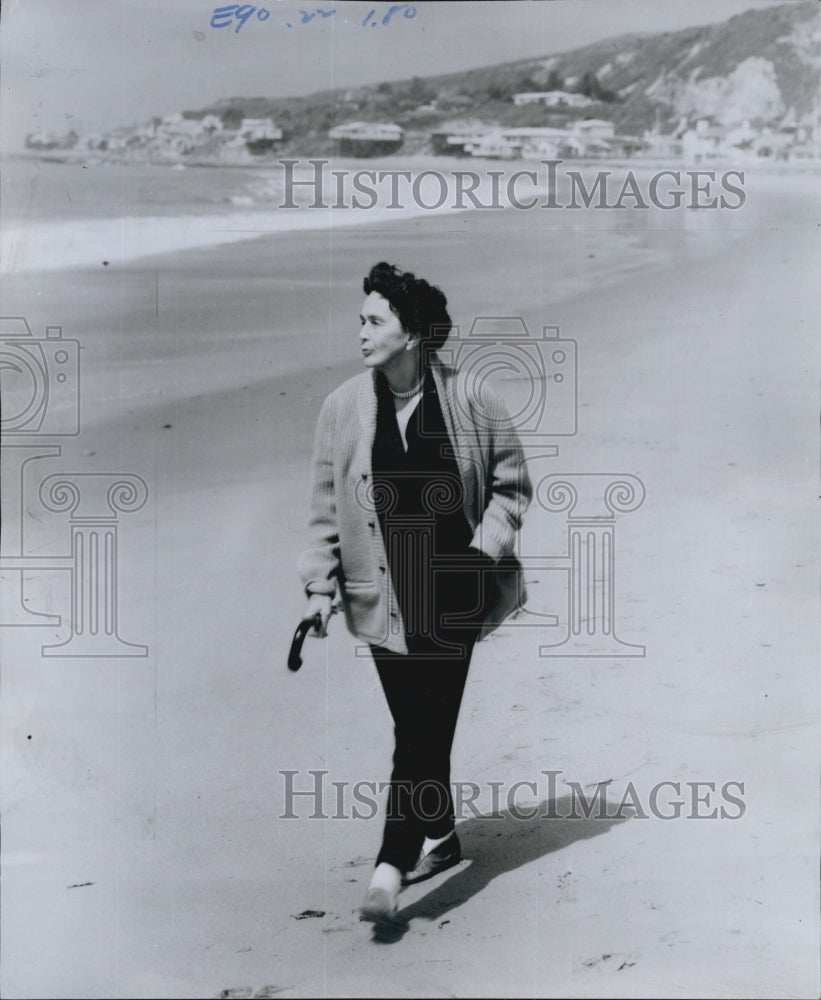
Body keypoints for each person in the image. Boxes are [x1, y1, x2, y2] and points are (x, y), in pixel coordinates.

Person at [297, 262, 532, 929]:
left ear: (413, 335)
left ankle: (390, 863)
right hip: (381, 598)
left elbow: (511, 489)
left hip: (454, 591)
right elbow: (322, 509)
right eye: (361, 320)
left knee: (421, 729)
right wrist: (319, 589)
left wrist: (481, 555)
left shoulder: (472, 399)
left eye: (374, 321)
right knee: (417, 729)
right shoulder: (342, 408)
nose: (361, 332)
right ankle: (442, 835)